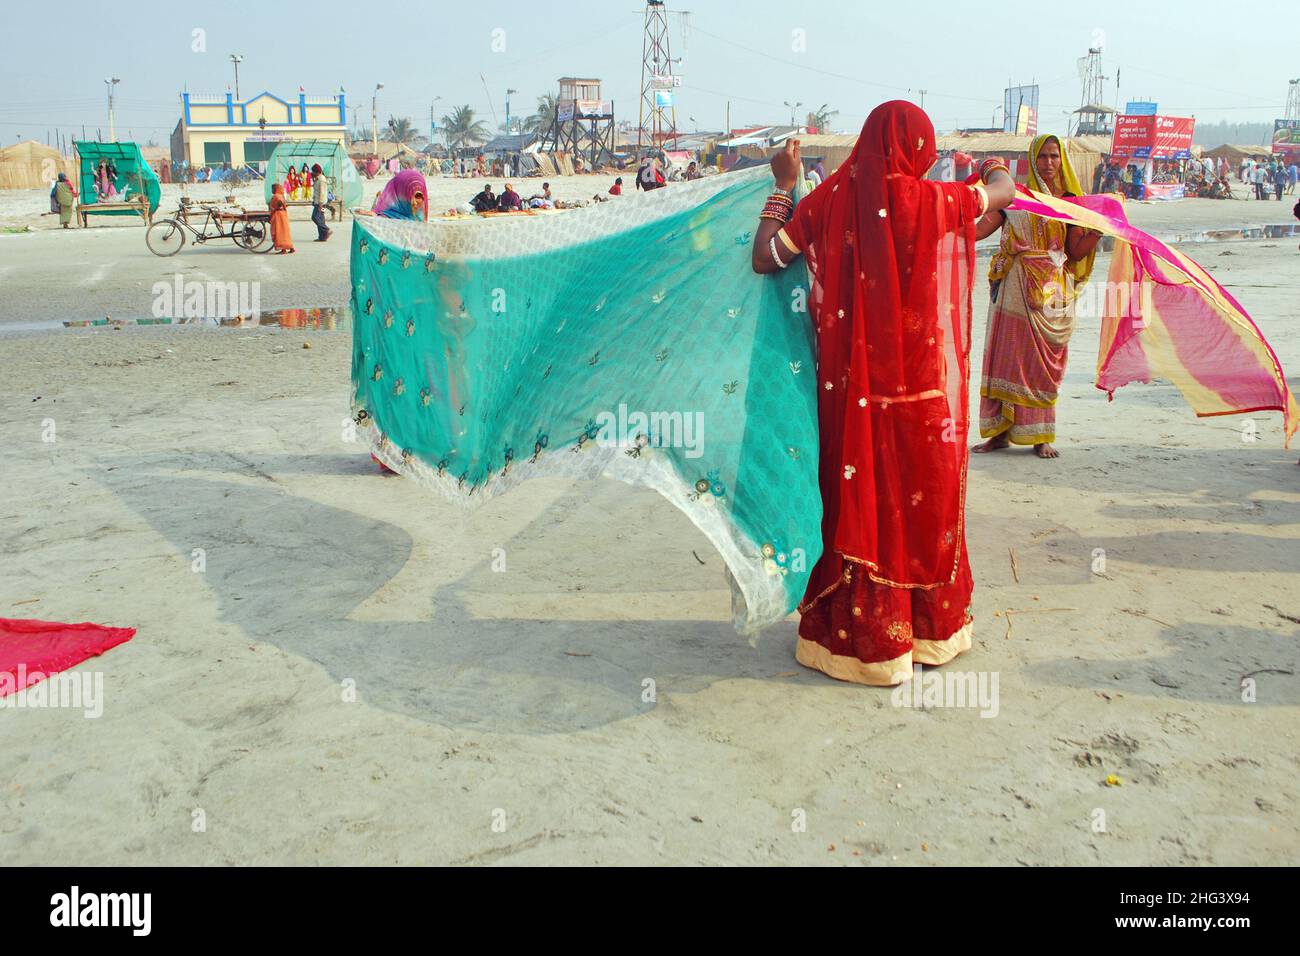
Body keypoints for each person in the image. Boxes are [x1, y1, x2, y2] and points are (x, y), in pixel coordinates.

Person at [749, 101, 1016, 686]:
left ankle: (857, 642)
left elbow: (765, 258)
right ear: (916, 149)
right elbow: (998, 201)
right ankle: (929, 632)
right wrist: (996, 172)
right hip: (918, 390)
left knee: (857, 497)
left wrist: (784, 186)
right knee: (923, 497)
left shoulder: (826, 202)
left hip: (847, 393)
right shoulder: (930, 202)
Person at [972, 134, 1102, 460]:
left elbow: (1074, 251)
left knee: (1040, 367)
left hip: (1050, 295)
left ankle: (1040, 436)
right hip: (1013, 289)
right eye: (1042, 156)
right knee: (1006, 360)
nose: (1048, 163)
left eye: (1054, 156)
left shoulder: (1068, 202)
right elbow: (980, 229)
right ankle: (999, 434)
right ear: (1032, 159)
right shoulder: (1016, 197)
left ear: (1062, 161)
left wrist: (1098, 230)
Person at [357, 168, 428, 220]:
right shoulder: (383, 211)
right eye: (410, 196)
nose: (415, 202)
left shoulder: (421, 216)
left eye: (419, 196)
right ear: (400, 192)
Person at [269, 183, 294, 254]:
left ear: (276, 189)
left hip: (278, 216)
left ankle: (283, 249)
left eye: (273, 189)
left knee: (279, 232)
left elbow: (277, 205)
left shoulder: (276, 196)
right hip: (283, 215)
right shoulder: (281, 196)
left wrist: (275, 209)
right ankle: (291, 247)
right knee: (286, 232)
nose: (272, 190)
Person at [310, 163, 331, 241]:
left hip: (320, 203)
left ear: (317, 172)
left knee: (315, 217)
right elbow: (316, 191)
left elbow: (322, 192)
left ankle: (326, 230)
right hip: (317, 202)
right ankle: (322, 237)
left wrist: (320, 204)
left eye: (313, 171)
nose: (312, 173)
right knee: (321, 219)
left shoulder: (321, 179)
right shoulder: (317, 178)